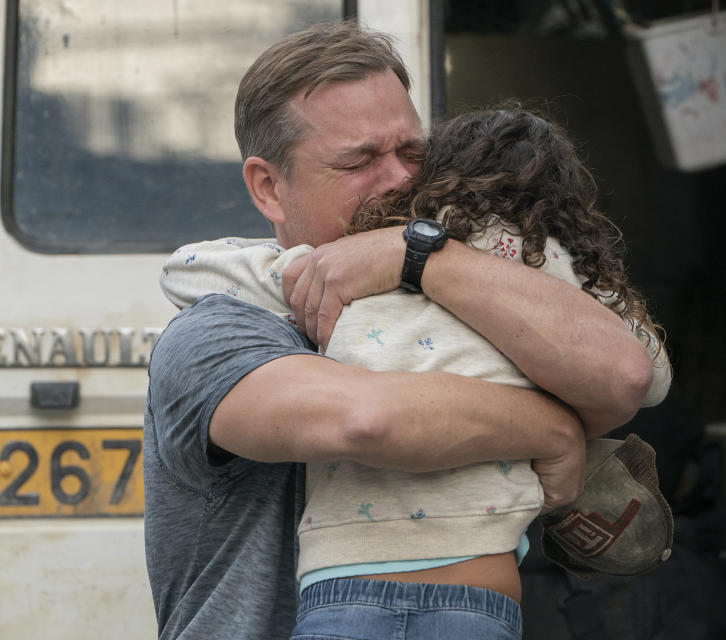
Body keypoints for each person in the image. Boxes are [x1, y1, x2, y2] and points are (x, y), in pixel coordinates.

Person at [144, 21, 655, 640]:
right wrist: (550, 429)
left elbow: (624, 374)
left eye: (413, 153)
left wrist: (419, 257)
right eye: (358, 161)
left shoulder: (445, 276)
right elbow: (364, 418)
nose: (399, 181)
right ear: (268, 187)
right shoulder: (217, 330)